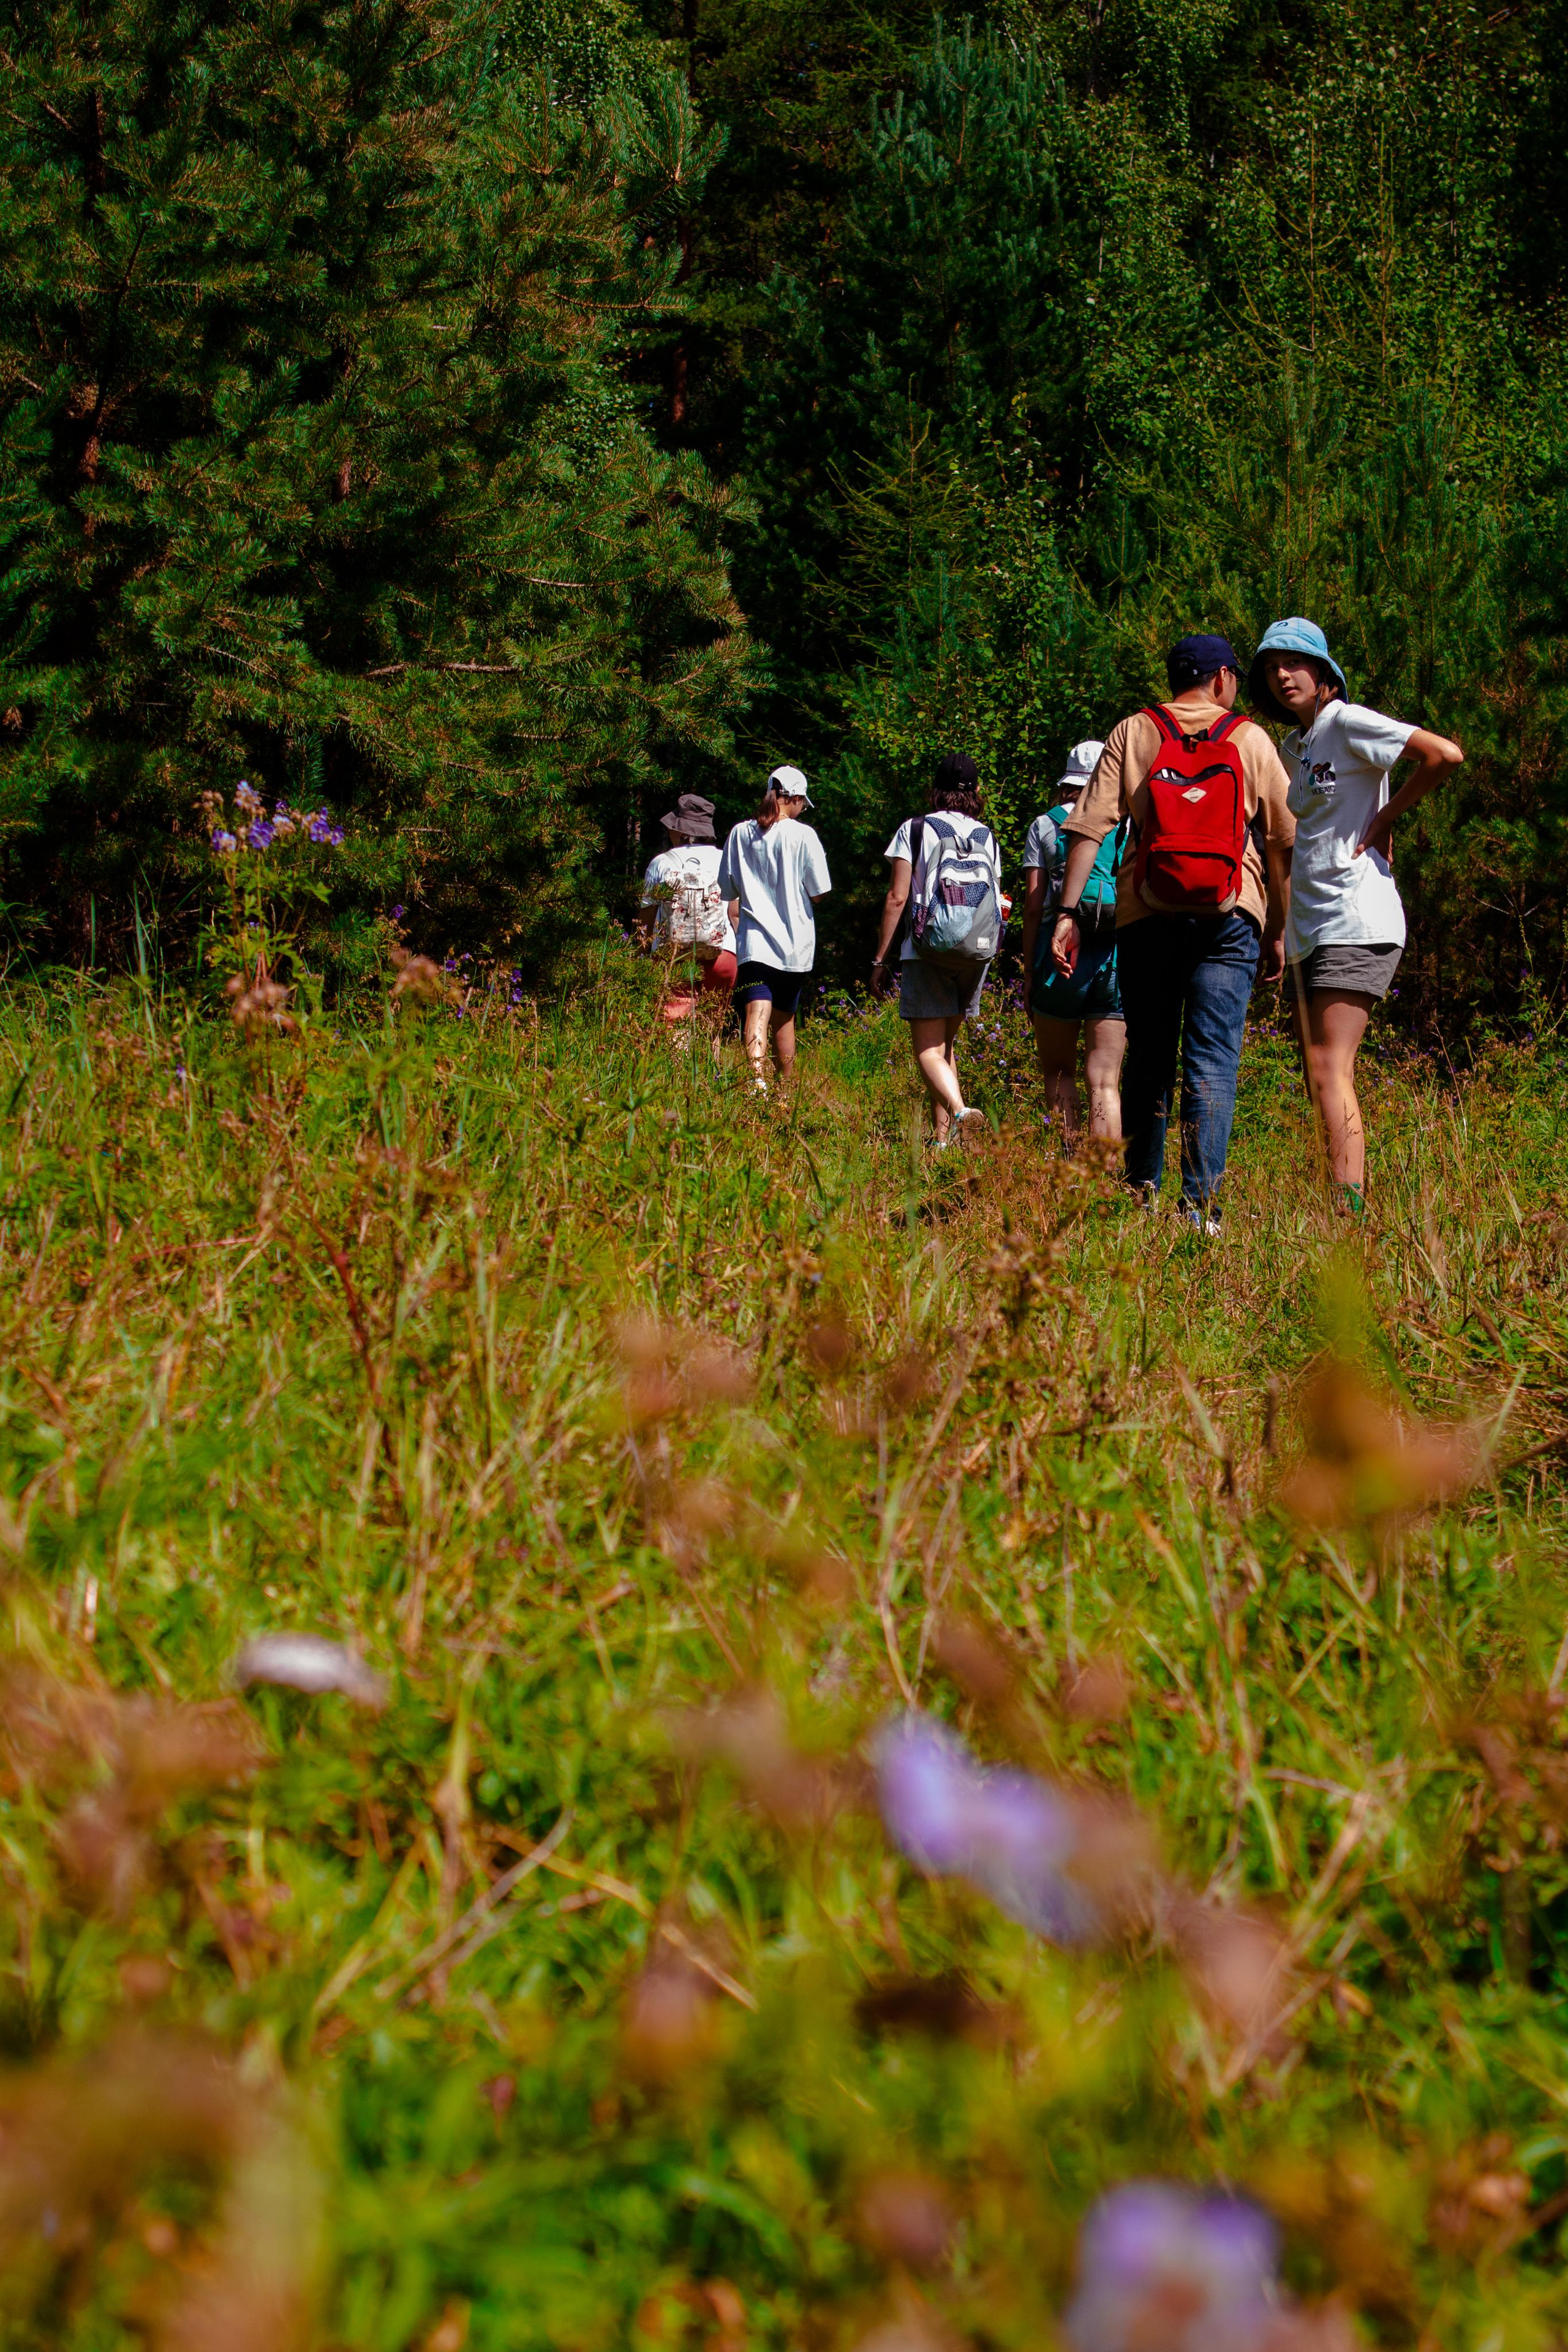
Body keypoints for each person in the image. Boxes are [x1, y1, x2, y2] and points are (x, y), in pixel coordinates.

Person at [1050, 634, 1295, 1233]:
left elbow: (1087, 827)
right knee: (1211, 1060)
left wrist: (1068, 911)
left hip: (1145, 914)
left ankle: (1139, 1194)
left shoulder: (1134, 731)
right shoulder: (1248, 739)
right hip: (1232, 916)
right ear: (1220, 679)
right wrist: (1278, 928)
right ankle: (1200, 1211)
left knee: (1151, 1059)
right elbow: (1285, 837)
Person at [1248, 617, 1464, 1215]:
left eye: (1293, 663)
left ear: (1323, 674)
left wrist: (1389, 815)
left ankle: (1347, 1217)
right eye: (1270, 668)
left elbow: (1443, 756)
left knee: (1328, 1065)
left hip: (1356, 915)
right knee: (1316, 1075)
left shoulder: (1346, 721)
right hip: (1309, 927)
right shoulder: (1296, 746)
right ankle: (1335, 1203)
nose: (1280, 675)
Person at [871, 752, 1000, 1148]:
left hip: (927, 950)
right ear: (977, 791)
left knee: (928, 1050)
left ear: (937, 789)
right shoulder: (986, 835)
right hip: (976, 952)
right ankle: (944, 1141)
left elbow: (897, 898)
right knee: (946, 1049)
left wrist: (880, 959)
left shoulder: (915, 830)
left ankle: (962, 1113)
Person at [1019, 739, 1123, 1145]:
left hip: (1059, 958)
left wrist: (1030, 973)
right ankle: (1107, 1178)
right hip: (1114, 958)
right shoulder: (1124, 825)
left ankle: (1071, 1167)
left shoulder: (1044, 826)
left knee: (1059, 1073)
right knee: (1106, 1081)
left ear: (1068, 782)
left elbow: (1032, 906)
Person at [717, 765, 832, 1091]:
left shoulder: (740, 833)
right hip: (795, 944)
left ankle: (756, 1081)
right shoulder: (803, 835)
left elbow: (729, 888)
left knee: (757, 1008)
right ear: (793, 798)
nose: (802, 810)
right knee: (784, 1018)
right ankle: (785, 1089)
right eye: (802, 804)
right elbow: (820, 893)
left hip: (754, 942)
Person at [638, 793, 738, 1025]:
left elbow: (646, 918)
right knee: (711, 1026)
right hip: (722, 954)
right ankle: (710, 1061)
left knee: (674, 1026)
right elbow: (735, 913)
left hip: (672, 955)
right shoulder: (726, 860)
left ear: (682, 831)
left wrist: (640, 954)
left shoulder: (661, 863)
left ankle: (678, 1061)